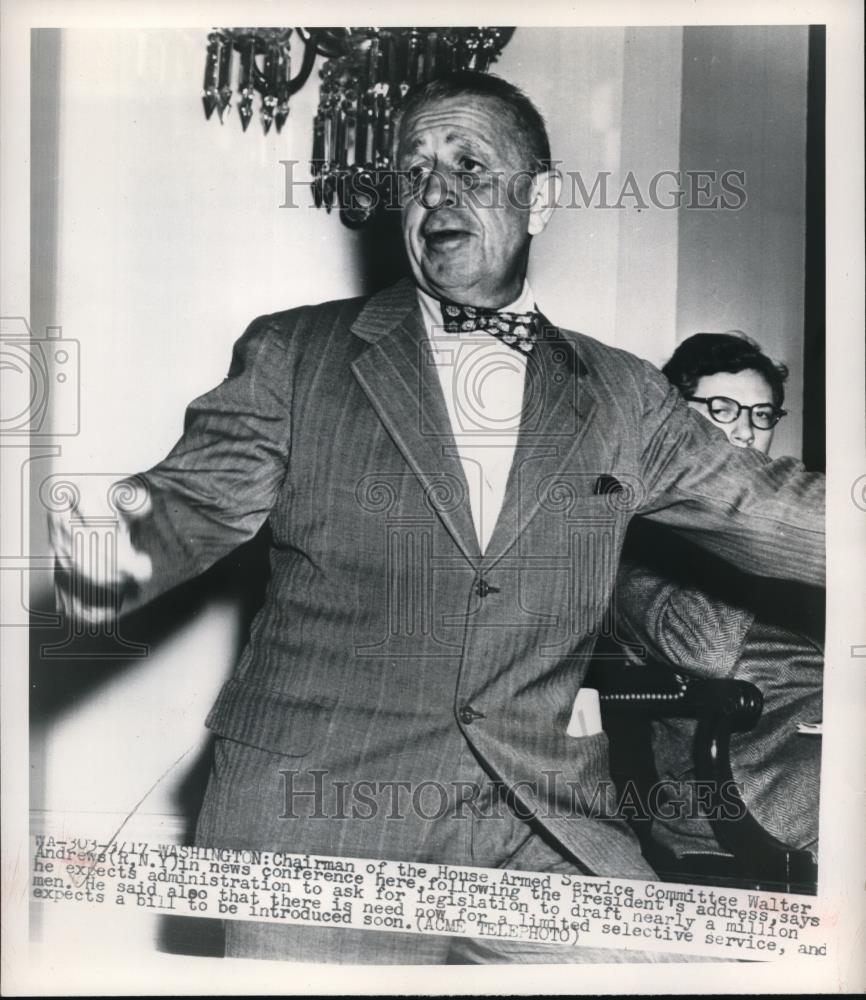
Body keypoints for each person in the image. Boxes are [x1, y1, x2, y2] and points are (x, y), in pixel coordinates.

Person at [49, 72, 825, 964]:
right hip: (324, 820)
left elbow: (768, 505)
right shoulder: (296, 355)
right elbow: (192, 501)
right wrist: (122, 552)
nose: (437, 194)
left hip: (539, 821)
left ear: (544, 199)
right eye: (415, 173)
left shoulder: (623, 395)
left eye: (470, 166)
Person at [613, 332, 822, 863]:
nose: (746, 432)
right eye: (721, 408)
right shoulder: (634, 537)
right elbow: (703, 651)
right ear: (673, 419)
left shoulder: (792, 533)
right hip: (747, 780)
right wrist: (745, 535)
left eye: (762, 414)